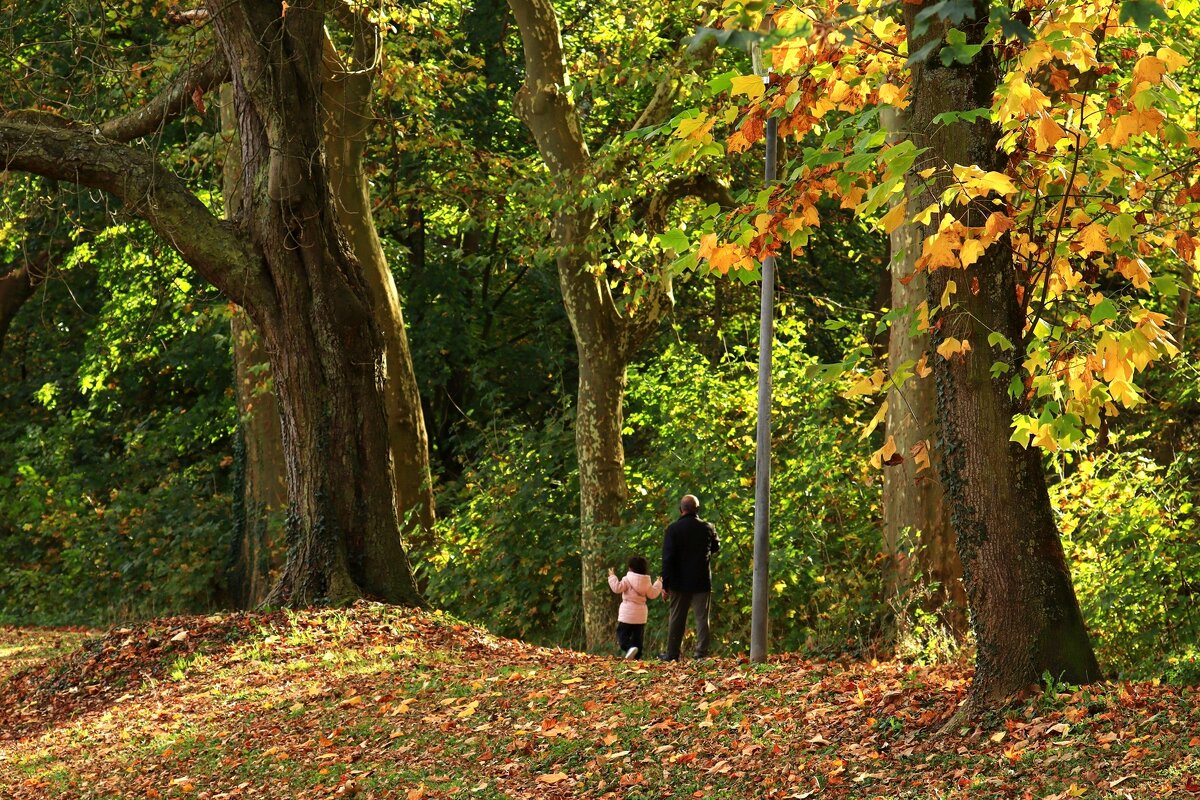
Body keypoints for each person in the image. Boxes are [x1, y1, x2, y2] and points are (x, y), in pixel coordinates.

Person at [660, 494, 719, 660]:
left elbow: (668, 558)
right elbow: (715, 547)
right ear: (697, 510)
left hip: (679, 582)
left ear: (681, 510)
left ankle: (672, 654)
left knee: (677, 618)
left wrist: (665, 584)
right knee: (702, 619)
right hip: (701, 580)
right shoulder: (708, 527)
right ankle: (701, 654)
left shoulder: (673, 530)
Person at [607, 555, 663, 659]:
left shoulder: (627, 579)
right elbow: (653, 594)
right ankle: (637, 657)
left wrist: (612, 576)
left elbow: (617, 588)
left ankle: (629, 648)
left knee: (622, 636)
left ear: (630, 568)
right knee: (638, 638)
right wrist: (659, 582)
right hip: (640, 616)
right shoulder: (647, 582)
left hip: (627, 615)